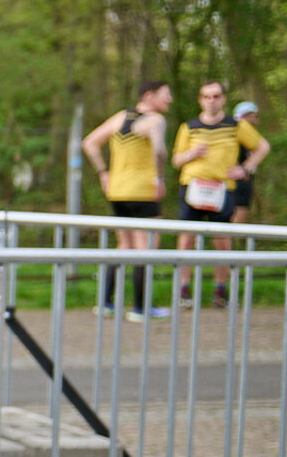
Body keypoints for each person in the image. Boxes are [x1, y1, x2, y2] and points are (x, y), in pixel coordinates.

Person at [173, 80, 268, 309]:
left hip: (222, 189)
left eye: (216, 96)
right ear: (200, 100)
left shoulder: (235, 126)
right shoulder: (189, 126)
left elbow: (262, 147)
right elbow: (176, 160)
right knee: (186, 239)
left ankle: (220, 291)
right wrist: (191, 154)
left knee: (223, 240)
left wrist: (245, 168)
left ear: (223, 99)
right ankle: (183, 291)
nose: (211, 101)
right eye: (207, 96)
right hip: (192, 187)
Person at [80, 81, 171, 320]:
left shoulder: (121, 117)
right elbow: (159, 151)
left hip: (118, 191)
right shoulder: (156, 120)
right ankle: (141, 308)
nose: (169, 99)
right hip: (143, 191)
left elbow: (89, 143)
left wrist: (103, 172)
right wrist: (159, 178)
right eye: (166, 94)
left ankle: (106, 304)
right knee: (146, 250)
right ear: (149, 95)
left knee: (124, 247)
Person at [230, 100, 263, 225]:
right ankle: (233, 241)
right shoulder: (237, 132)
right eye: (255, 116)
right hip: (238, 181)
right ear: (247, 116)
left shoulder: (251, 135)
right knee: (239, 213)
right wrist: (243, 170)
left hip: (245, 179)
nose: (257, 119)